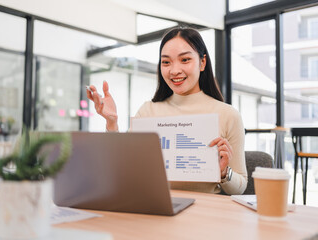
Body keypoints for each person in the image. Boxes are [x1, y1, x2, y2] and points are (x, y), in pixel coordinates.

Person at [87, 26, 247, 195]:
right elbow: (121, 168)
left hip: (203, 214)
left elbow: (241, 187)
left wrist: (223, 172)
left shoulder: (228, 115)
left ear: (202, 62)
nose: (174, 70)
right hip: (153, 208)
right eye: (166, 62)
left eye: (185, 60)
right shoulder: (148, 111)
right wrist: (112, 123)